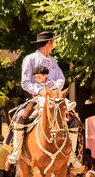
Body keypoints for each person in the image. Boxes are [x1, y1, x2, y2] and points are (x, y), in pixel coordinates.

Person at [7, 33, 66, 165]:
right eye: (53, 43)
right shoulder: (30, 59)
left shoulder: (53, 60)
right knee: (21, 116)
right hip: (37, 98)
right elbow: (25, 82)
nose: (53, 46)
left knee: (73, 118)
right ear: (49, 42)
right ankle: (16, 150)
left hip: (54, 97)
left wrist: (54, 89)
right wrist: (40, 91)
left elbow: (61, 78)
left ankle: (73, 154)